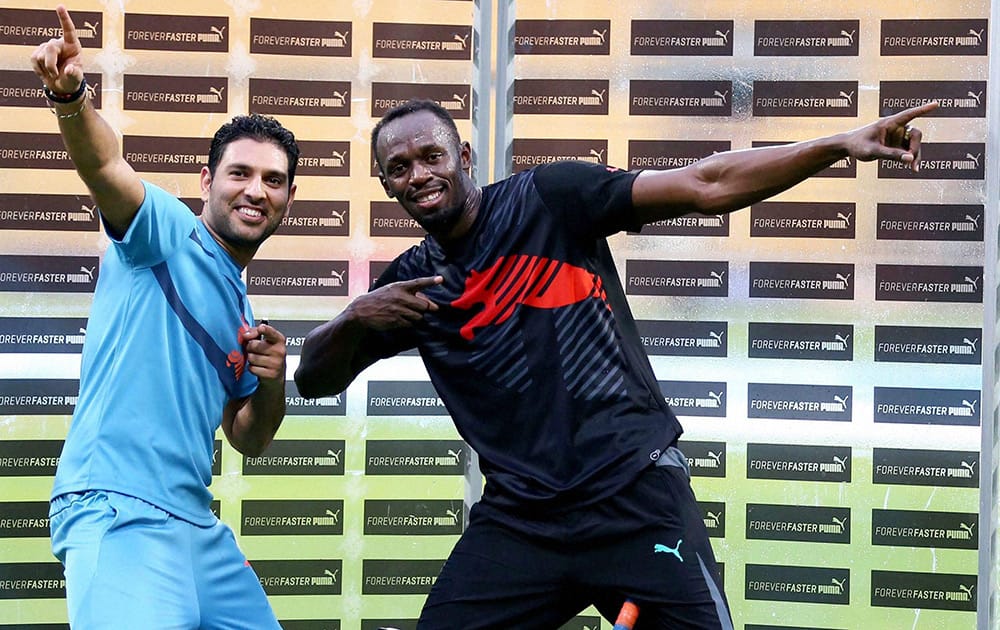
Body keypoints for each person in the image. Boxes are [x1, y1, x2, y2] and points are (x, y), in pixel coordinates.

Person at [295, 96, 935, 627]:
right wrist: (353, 318)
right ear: (385, 183)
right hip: (523, 520)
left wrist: (836, 145)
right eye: (399, 167)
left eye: (431, 155)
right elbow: (313, 381)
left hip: (633, 493)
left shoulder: (548, 198)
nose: (419, 175)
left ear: (463, 156)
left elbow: (705, 184)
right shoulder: (411, 286)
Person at [31, 6, 296, 628]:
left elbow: (249, 438)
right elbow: (104, 166)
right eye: (241, 173)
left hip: (198, 530)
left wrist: (275, 384)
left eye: (274, 179)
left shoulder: (242, 309)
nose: (256, 190)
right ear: (207, 181)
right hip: (118, 511)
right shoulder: (166, 233)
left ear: (289, 198)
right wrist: (69, 96)